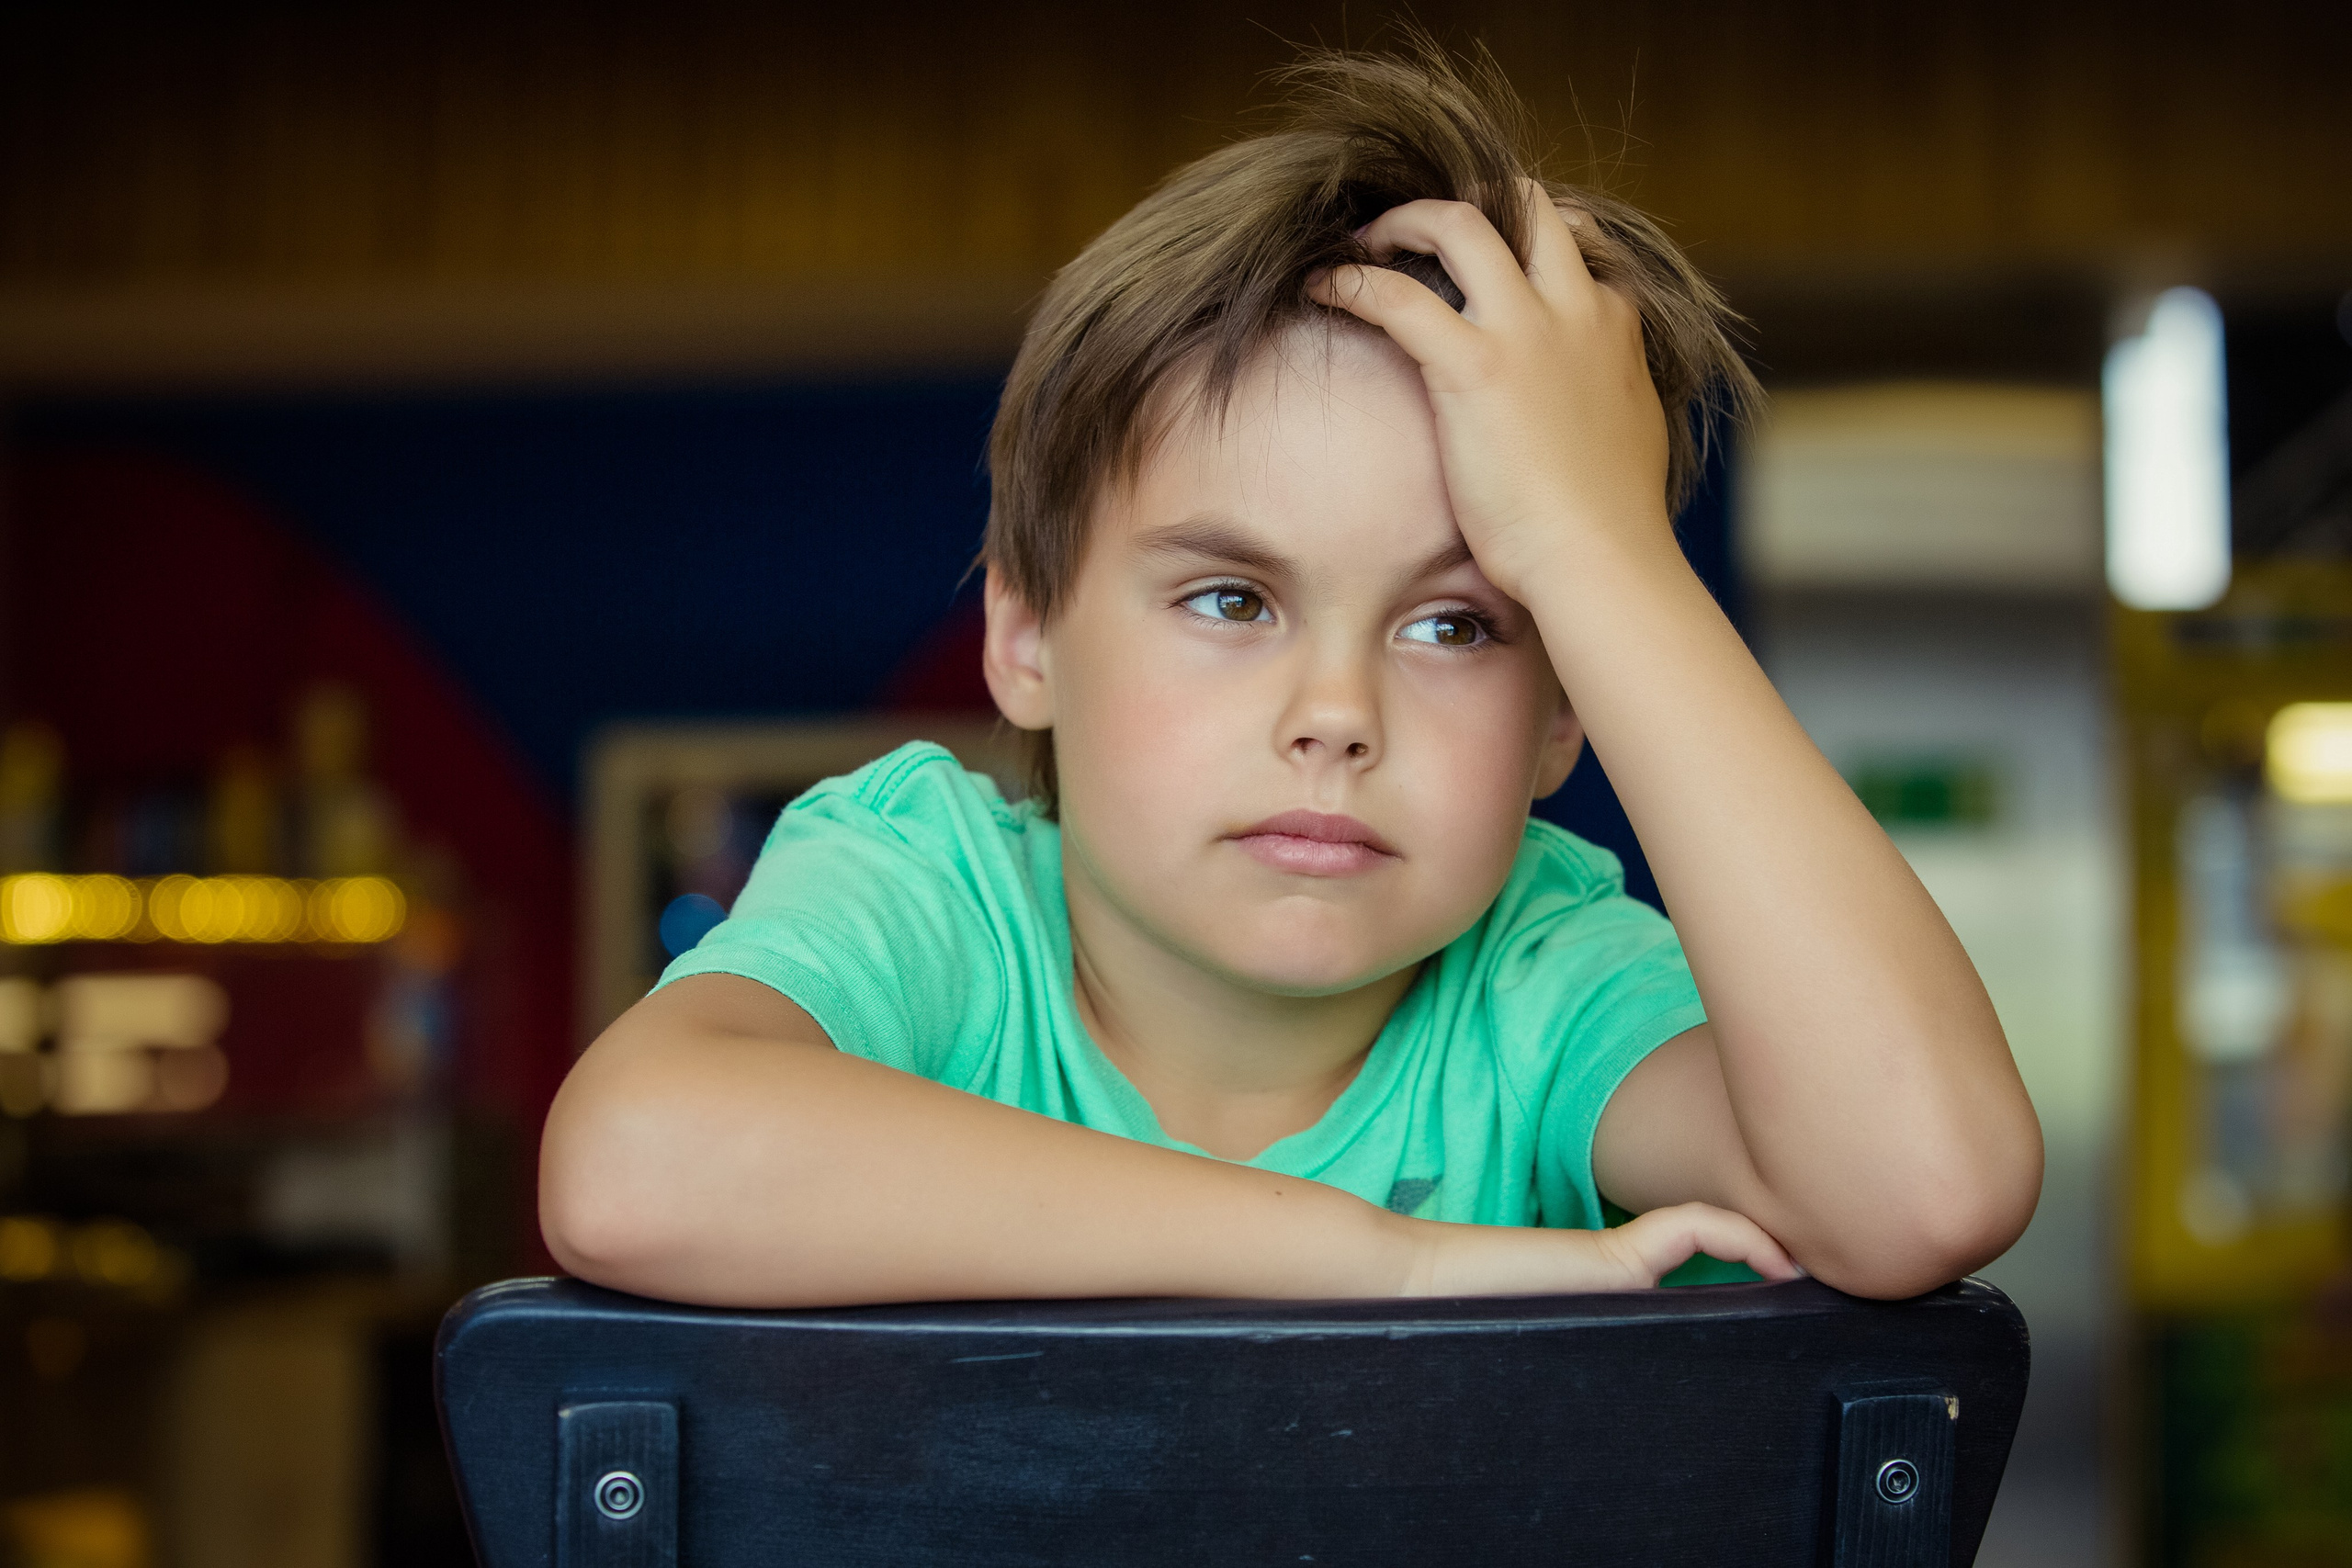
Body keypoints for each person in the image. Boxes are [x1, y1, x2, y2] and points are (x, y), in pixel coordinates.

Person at [539, 39, 2041, 1308]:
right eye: (1230, 597)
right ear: (1027, 638)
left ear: (1569, 709)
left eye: (1459, 625)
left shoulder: (1541, 979)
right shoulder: (931, 892)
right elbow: (633, 1161)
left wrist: (1602, 554)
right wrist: (1372, 1258)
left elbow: (1924, 1182)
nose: (1337, 716)